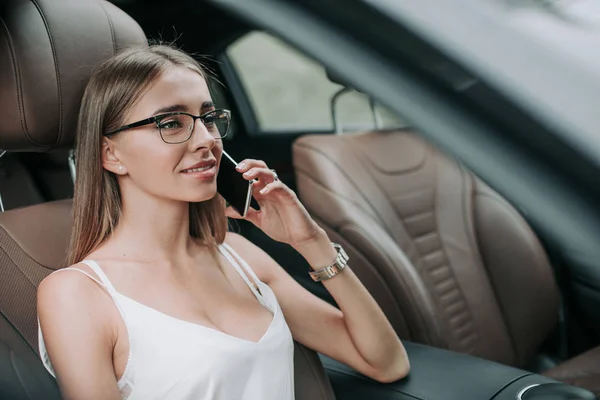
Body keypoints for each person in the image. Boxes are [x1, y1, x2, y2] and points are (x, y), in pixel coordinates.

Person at [36, 44, 409, 400]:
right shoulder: (76, 295)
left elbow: (386, 362)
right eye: (170, 123)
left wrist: (310, 240)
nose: (206, 140)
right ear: (111, 154)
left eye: (209, 118)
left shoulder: (241, 257)